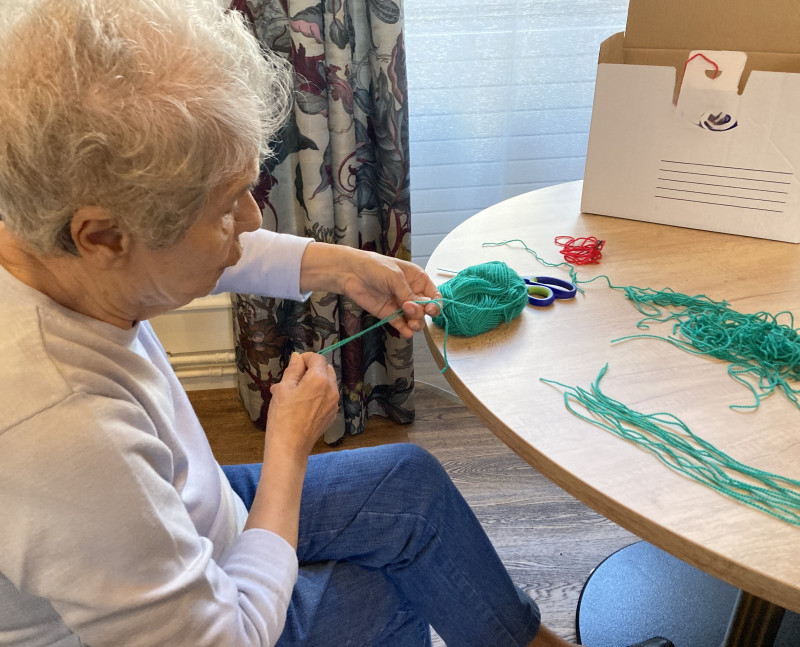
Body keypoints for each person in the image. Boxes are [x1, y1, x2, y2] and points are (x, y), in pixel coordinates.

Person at [0, 1, 678, 646]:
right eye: (225, 208)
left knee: (409, 484)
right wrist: (288, 448)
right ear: (102, 237)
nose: (252, 220)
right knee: (384, 593)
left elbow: (195, 250)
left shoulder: (45, 233)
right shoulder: (63, 433)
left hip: (186, 515)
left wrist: (345, 267)